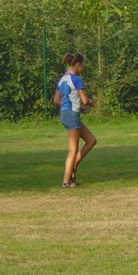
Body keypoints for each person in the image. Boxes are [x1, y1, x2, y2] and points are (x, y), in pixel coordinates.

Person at [53, 53, 97, 188]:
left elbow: (56, 100)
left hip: (66, 114)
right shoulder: (77, 79)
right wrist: (90, 103)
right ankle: (66, 181)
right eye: (82, 65)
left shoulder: (62, 79)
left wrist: (73, 107)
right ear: (78, 64)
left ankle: (73, 167)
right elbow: (84, 100)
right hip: (71, 115)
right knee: (73, 149)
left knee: (91, 141)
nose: (83, 68)